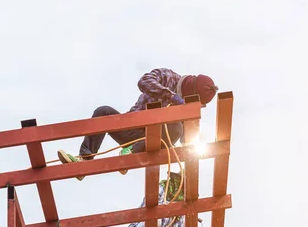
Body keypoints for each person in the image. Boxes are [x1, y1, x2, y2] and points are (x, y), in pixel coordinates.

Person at [56, 68, 218, 180]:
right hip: (132, 129)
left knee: (176, 128)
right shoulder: (168, 77)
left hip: (153, 142)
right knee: (103, 112)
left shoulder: (188, 108)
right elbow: (144, 82)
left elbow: (187, 141)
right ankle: (84, 161)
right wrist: (171, 96)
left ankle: (132, 151)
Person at [114, 171, 195, 227]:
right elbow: (150, 209)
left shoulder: (183, 204)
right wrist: (171, 207)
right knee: (155, 221)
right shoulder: (162, 188)